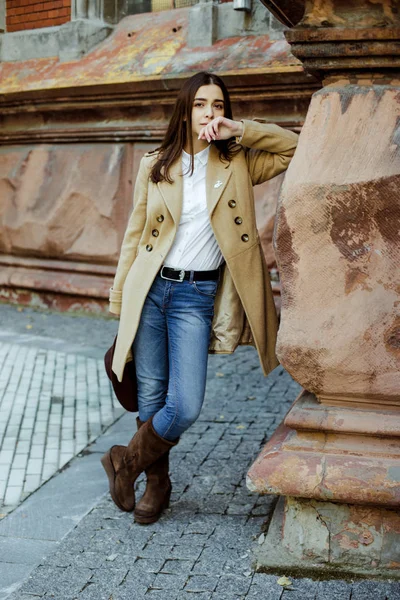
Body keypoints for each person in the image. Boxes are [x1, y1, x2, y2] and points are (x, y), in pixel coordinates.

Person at [101, 71, 298, 524]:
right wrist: (120, 299)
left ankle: (126, 461)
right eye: (201, 105)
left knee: (185, 403)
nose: (210, 112)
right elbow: (135, 235)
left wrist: (240, 130)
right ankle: (157, 484)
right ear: (185, 111)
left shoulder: (238, 162)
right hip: (150, 290)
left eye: (218, 105)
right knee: (150, 394)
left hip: (196, 294)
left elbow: (292, 147)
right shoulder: (156, 163)